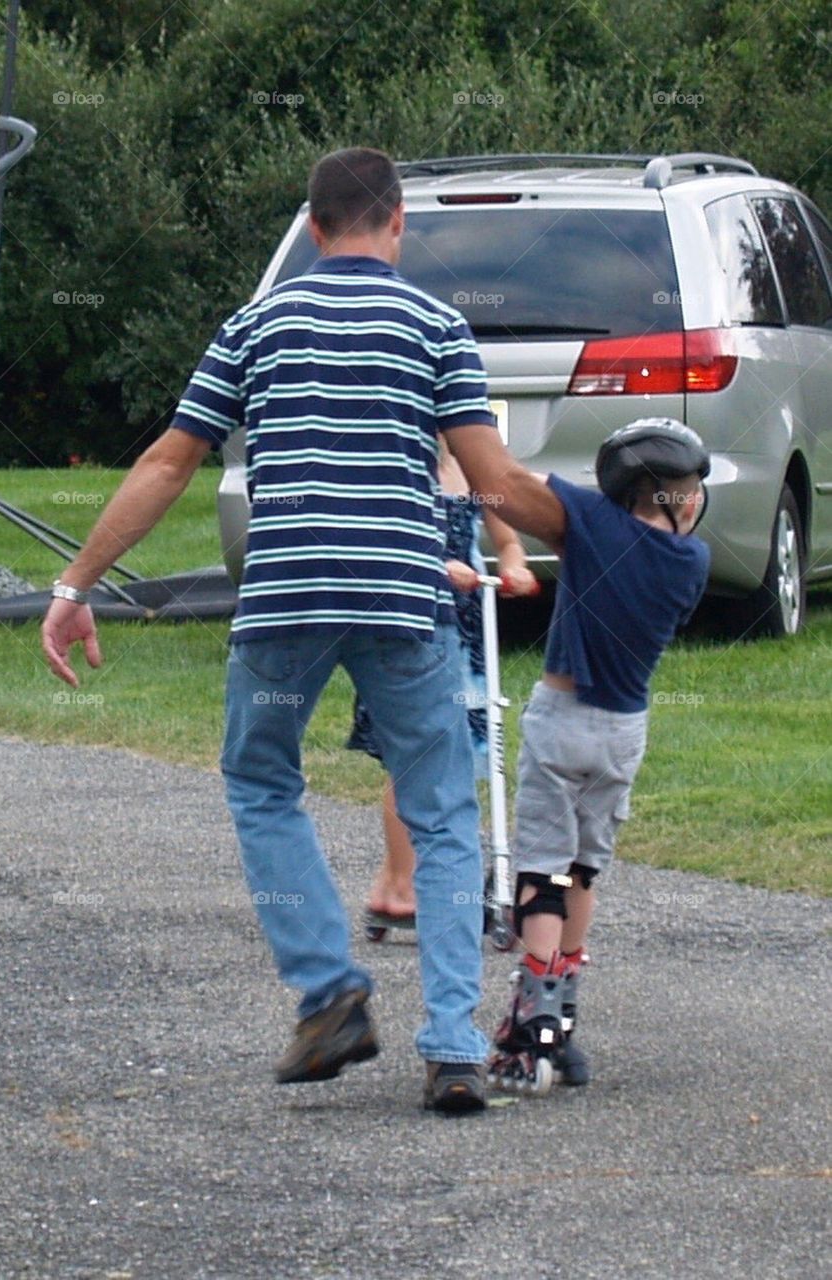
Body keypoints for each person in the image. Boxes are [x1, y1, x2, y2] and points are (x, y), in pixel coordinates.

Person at [40, 146, 565, 1115]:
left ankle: (329, 992)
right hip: (403, 597)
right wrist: (596, 536)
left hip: (284, 597)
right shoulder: (434, 326)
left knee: (261, 779)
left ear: (313, 229)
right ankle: (450, 1047)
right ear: (397, 225)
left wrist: (76, 581)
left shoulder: (255, 324)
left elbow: (167, 462)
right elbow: (492, 480)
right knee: (444, 811)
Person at [485, 418, 712, 1096]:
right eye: (690, 487)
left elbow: (513, 487)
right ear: (677, 499)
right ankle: (563, 1027)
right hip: (623, 731)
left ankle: (533, 1027)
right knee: (581, 870)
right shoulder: (690, 563)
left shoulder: (588, 522)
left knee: (542, 873)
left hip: (560, 720)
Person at [348, 434, 536, 927]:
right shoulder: (392, 466)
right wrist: (433, 563)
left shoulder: (473, 470)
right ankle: (402, 882)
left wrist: (514, 565)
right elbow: (373, 538)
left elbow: (507, 537)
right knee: (412, 755)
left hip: (467, 626)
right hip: (408, 623)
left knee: (459, 753)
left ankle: (400, 881)